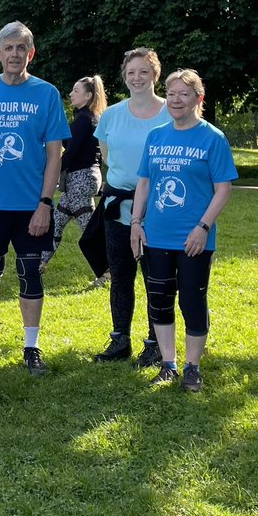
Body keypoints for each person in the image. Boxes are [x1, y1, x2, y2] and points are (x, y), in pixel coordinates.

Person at [0, 22, 70, 375]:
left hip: (31, 206)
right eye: (9, 48)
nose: (15, 54)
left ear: (30, 53)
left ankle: (31, 347)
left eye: (22, 48)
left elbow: (55, 154)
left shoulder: (46, 94)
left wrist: (45, 204)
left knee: (30, 272)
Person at [130, 69, 236, 392]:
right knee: (159, 300)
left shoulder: (212, 138)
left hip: (194, 238)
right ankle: (168, 364)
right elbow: (145, 183)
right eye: (172, 94)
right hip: (157, 234)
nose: (176, 100)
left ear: (198, 99)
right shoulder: (157, 136)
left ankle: (192, 366)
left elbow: (223, 189)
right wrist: (136, 222)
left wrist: (203, 227)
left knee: (192, 301)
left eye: (184, 95)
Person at [92, 48, 173, 365]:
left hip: (160, 209)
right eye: (131, 73)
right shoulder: (111, 115)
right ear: (124, 77)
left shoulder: (171, 112)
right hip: (118, 208)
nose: (137, 78)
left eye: (143, 72)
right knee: (122, 276)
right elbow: (109, 159)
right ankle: (119, 341)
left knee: (157, 278)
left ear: (155, 75)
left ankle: (155, 343)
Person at [41, 76, 107, 281]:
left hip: (81, 179)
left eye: (76, 91)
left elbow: (71, 152)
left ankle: (109, 270)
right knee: (57, 221)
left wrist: (52, 171)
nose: (71, 94)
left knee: (89, 229)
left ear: (88, 95)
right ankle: (40, 263)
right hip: (82, 178)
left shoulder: (84, 119)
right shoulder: (88, 117)